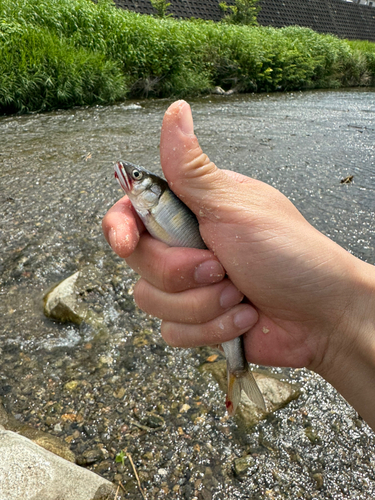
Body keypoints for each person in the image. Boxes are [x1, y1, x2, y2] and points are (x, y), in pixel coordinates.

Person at [102, 100, 375, 431]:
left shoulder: (155, 204)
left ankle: (237, 368)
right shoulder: (147, 205)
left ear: (151, 191)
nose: (128, 177)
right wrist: (336, 326)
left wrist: (337, 322)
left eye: (136, 177)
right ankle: (238, 369)